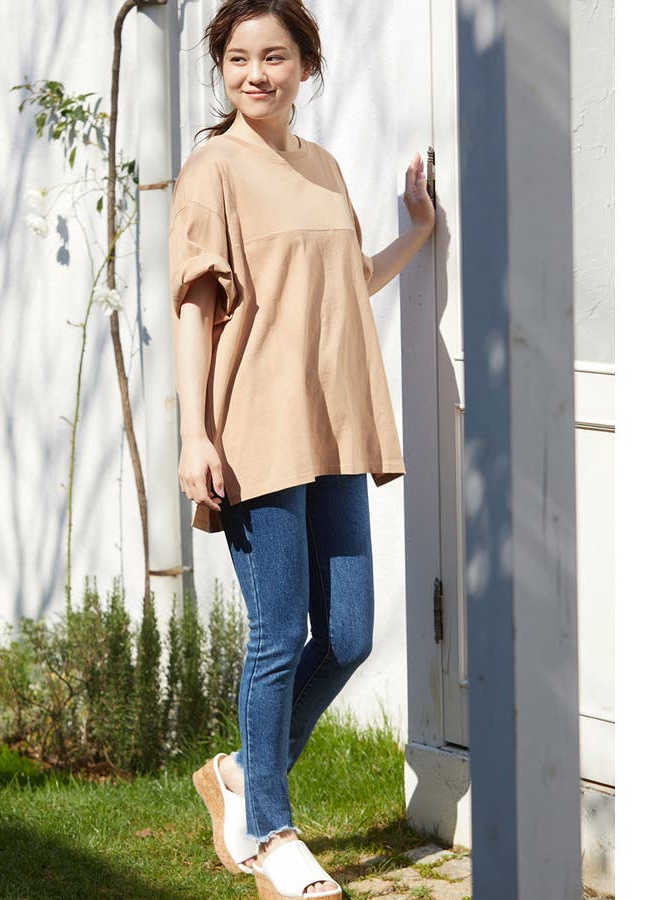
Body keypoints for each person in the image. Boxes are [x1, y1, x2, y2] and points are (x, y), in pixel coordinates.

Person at [169, 2, 436, 897]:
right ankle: (271, 832)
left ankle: (240, 773)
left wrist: (417, 234)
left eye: (275, 57)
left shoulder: (322, 168)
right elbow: (195, 309)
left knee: (349, 635)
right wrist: (195, 435)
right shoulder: (212, 171)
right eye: (238, 58)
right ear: (222, 69)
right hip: (251, 428)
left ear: (306, 67)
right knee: (279, 632)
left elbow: (345, 283)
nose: (256, 74)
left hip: (328, 426)